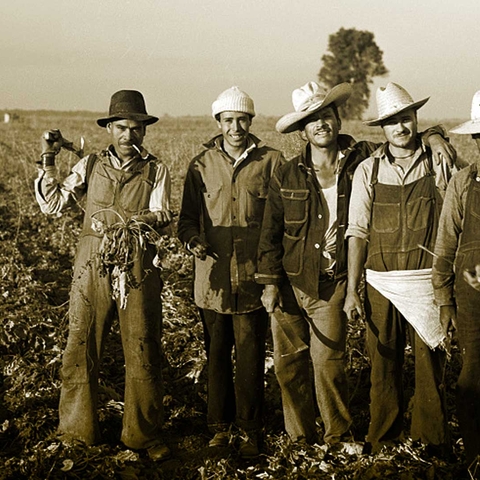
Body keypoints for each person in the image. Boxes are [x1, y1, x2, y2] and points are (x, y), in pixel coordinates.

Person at [255, 81, 455, 447]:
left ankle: (365, 437)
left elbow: (409, 138)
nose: (320, 124)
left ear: (337, 118)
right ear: (303, 129)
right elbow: (275, 230)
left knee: (339, 363)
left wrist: (437, 136)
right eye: (311, 120)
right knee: (300, 366)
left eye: (326, 116)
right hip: (306, 278)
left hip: (371, 280)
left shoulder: (364, 159)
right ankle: (311, 437)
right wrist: (270, 282)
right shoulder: (293, 172)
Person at [34, 90, 173, 461]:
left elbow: (164, 214)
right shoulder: (90, 165)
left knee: (142, 343)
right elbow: (52, 204)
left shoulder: (157, 169)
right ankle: (77, 433)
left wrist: (138, 222)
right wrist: (49, 159)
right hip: (91, 261)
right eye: (122, 127)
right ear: (110, 129)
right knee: (81, 344)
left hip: (137, 263)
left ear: (144, 131)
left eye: (136, 128)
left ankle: (141, 436)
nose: (129, 135)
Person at [344, 82, 456, 455]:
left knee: (429, 365)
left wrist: (438, 137)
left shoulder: (438, 160)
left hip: (426, 281)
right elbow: (357, 232)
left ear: (416, 119)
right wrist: (352, 291)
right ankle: (384, 439)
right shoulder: (367, 171)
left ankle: (432, 441)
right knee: (383, 362)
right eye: (392, 122)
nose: (400, 128)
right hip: (381, 282)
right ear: (382, 129)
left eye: (405, 119)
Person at [177, 86, 285, 458]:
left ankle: (250, 428)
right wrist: (192, 240)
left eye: (242, 119)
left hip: (255, 278)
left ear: (251, 121)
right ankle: (218, 428)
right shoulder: (200, 164)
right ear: (218, 123)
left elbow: (280, 220)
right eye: (228, 120)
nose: (235, 127)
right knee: (217, 353)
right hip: (212, 280)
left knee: (252, 354)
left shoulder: (272, 162)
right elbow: (186, 221)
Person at [432, 89, 480, 468]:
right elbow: (446, 245)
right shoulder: (464, 183)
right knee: (471, 379)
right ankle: (476, 455)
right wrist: (444, 299)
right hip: (471, 300)